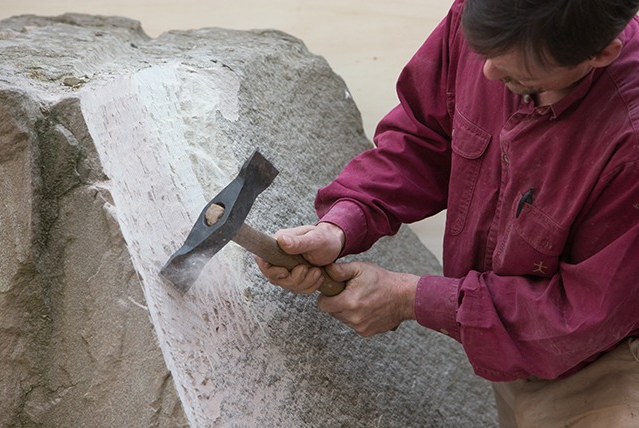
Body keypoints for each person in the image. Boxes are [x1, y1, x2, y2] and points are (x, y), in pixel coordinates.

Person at [256, 0, 639, 426]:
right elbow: (424, 137)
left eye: (519, 76)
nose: (489, 72)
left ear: (602, 54)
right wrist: (344, 221)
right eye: (484, 51)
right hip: (504, 343)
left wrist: (410, 298)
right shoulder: (483, 17)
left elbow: (579, 315)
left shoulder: (630, 137)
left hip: (608, 362)